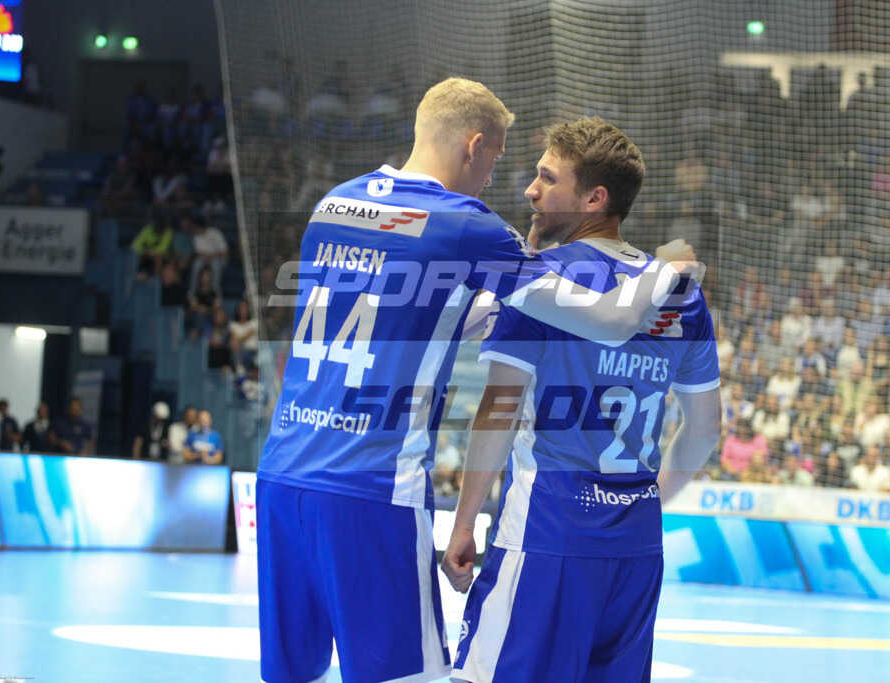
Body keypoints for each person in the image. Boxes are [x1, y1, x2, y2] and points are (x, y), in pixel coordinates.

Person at [255, 79, 697, 683]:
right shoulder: (466, 223)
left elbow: (423, 316)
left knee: (290, 672)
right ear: (474, 145)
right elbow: (613, 320)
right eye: (497, 159)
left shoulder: (335, 202)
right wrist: (668, 266)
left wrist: (517, 295)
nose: (503, 181)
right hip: (370, 486)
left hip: (282, 473)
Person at [442, 117, 721, 682]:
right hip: (637, 548)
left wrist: (464, 522)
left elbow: (497, 408)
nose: (530, 190)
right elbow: (704, 430)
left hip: (548, 532)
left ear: (594, 197)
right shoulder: (680, 292)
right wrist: (648, 499)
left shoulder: (538, 280)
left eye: (547, 178)